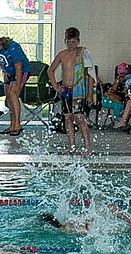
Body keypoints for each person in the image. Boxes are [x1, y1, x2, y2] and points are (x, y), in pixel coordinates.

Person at [48, 27, 95, 157]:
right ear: (65, 41)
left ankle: (88, 147)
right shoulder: (62, 54)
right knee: (68, 118)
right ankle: (72, 146)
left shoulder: (83, 54)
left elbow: (91, 75)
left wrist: (90, 94)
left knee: (79, 118)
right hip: (65, 90)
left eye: (73, 42)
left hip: (78, 90)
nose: (71, 45)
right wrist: (55, 86)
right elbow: (50, 70)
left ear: (78, 41)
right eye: (68, 42)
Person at [0, 35, 30, 137]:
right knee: (9, 98)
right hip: (10, 72)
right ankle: (12, 125)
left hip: (21, 71)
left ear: (0, 44)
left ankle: (17, 125)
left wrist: (18, 85)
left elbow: (19, 67)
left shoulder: (13, 47)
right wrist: (5, 71)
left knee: (13, 95)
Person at [39, 204, 131, 234]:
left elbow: (110, 207)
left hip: (118, 229)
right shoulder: (70, 224)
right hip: (120, 230)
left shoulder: (68, 226)